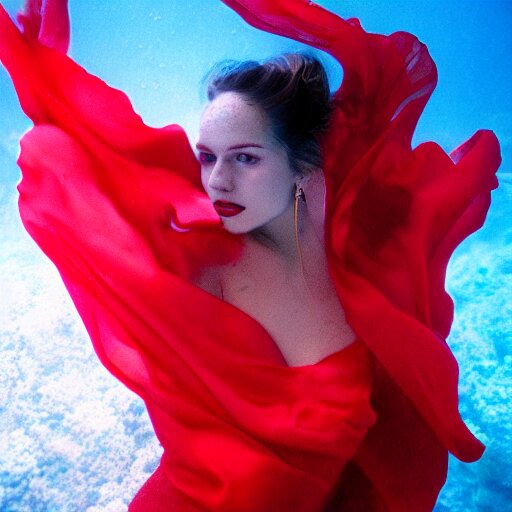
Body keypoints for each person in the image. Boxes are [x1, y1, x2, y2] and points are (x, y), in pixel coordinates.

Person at [0, 0, 501, 510]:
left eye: (245, 157)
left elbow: (372, 105)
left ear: (305, 166)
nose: (218, 181)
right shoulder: (205, 260)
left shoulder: (357, 245)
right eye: (207, 157)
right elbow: (83, 174)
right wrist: (43, 78)